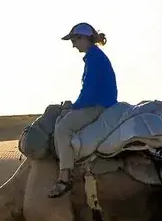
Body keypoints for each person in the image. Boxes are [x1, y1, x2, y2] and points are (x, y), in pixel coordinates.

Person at [48, 22, 119, 198]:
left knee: (63, 128)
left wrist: (72, 107)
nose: (73, 44)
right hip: (101, 103)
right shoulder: (95, 56)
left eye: (74, 40)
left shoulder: (95, 59)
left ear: (83, 38)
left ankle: (64, 177)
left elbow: (89, 92)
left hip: (99, 106)